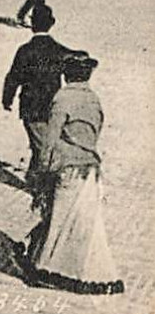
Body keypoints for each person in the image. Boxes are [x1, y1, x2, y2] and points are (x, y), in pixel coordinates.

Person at [29, 52, 124, 295]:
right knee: (86, 223)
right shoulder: (94, 99)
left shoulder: (62, 98)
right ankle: (88, 273)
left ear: (65, 73)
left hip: (67, 166)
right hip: (90, 166)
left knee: (60, 219)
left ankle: (49, 268)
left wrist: (42, 171)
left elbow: (49, 141)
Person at [1, 5, 77, 193]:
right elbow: (78, 58)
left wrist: (7, 99)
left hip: (30, 106)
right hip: (52, 107)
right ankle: (38, 182)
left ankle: (36, 181)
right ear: (51, 25)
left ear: (32, 26)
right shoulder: (58, 50)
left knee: (40, 145)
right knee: (43, 145)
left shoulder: (25, 50)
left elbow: (13, 77)